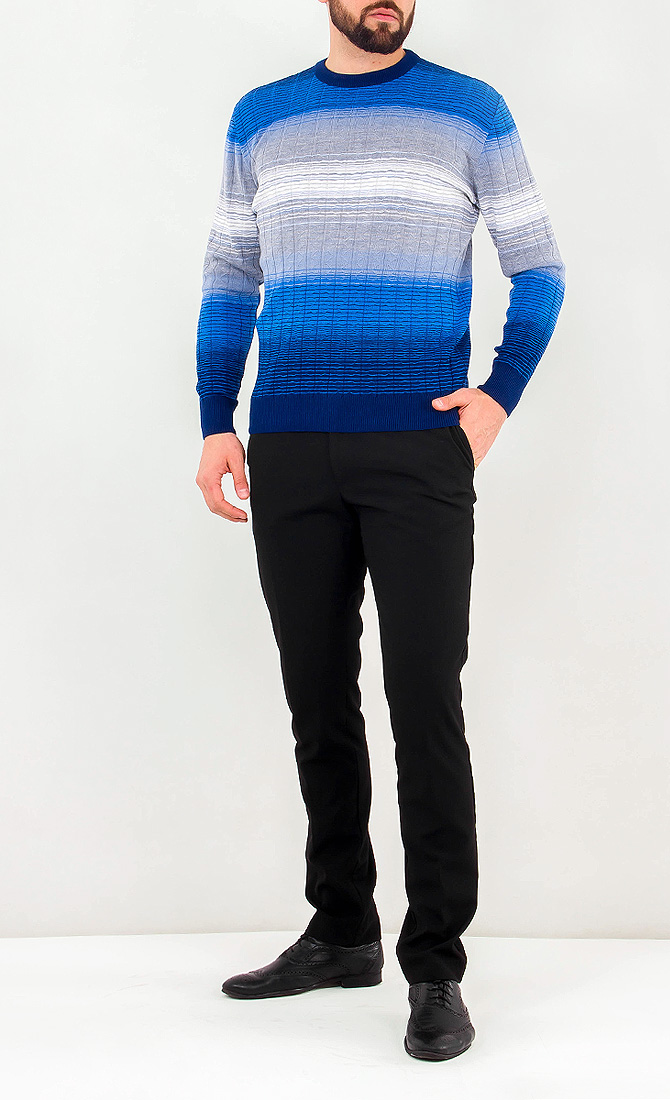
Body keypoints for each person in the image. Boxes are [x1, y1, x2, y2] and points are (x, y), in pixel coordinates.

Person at [194, 0, 565, 1061]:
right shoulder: (262, 117)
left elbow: (539, 265)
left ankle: (435, 964)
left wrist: (497, 397)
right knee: (317, 698)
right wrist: (216, 418)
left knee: (423, 699)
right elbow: (231, 275)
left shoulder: (469, 111)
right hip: (289, 443)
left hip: (419, 446)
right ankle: (343, 929)